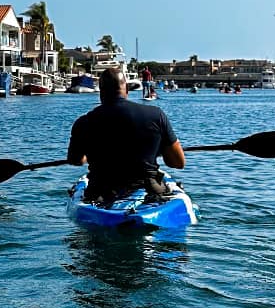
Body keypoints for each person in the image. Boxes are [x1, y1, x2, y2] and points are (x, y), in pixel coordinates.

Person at [67, 65, 186, 205]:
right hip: (149, 191)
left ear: (101, 92)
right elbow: (178, 162)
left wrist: (91, 152)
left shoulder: (83, 122)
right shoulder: (156, 115)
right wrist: (157, 150)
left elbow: (76, 160)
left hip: (100, 192)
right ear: (127, 90)